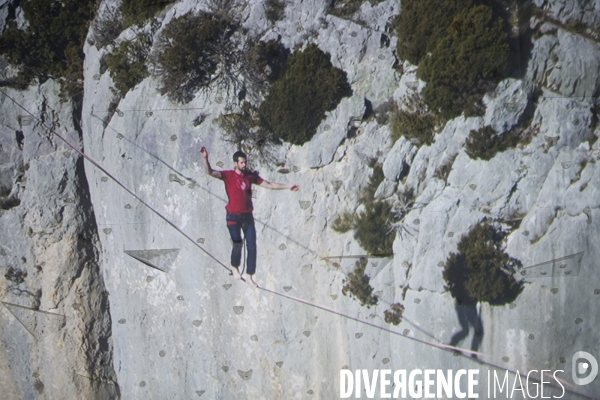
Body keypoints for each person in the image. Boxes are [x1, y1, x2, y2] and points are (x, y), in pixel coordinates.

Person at [200, 147, 300, 288]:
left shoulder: (250, 177)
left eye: (245, 162)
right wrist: (205, 158)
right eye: (241, 163)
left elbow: (269, 185)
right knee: (237, 243)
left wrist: (288, 186)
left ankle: (250, 275)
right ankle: (235, 267)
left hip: (247, 216)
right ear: (235, 163)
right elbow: (209, 172)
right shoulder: (228, 175)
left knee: (252, 246)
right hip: (233, 216)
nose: (244, 165)